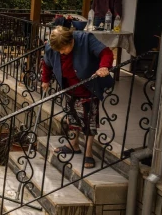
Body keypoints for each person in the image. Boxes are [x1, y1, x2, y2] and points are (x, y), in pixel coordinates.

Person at [41, 26, 114, 169]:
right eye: (59, 51)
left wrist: (104, 66)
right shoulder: (52, 47)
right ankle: (73, 145)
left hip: (88, 87)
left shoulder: (85, 39)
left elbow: (106, 53)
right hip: (69, 88)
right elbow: (47, 63)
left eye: (64, 49)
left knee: (89, 121)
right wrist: (45, 80)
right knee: (72, 116)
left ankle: (88, 152)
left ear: (72, 41)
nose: (62, 52)